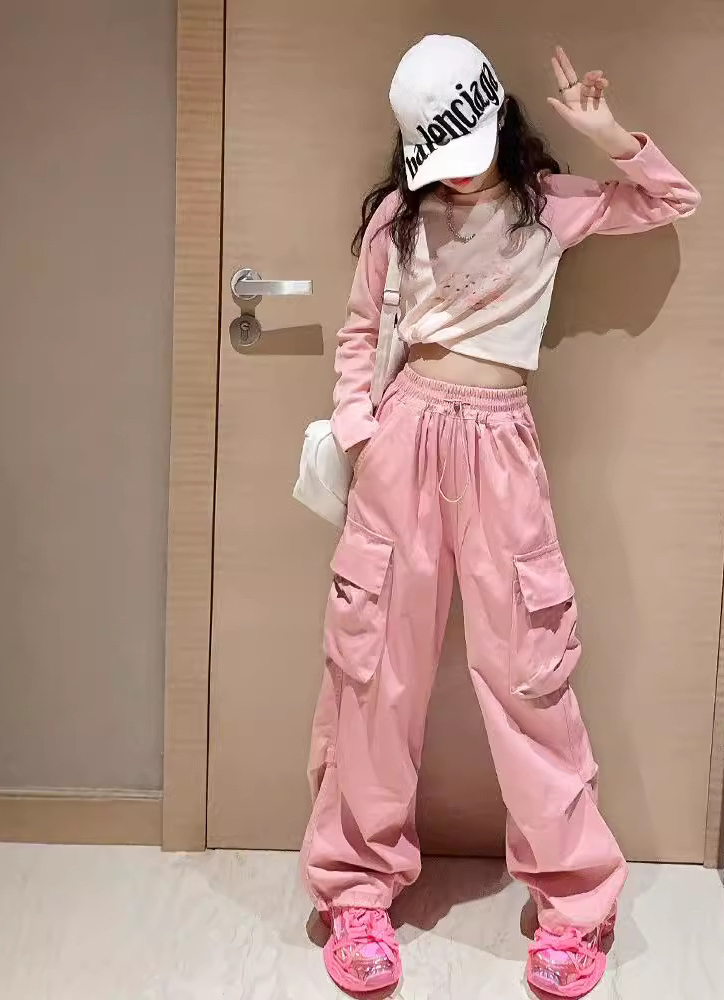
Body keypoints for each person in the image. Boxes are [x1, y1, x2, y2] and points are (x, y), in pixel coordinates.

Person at [299, 34, 700, 998]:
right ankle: (356, 891)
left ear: (496, 119)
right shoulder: (398, 219)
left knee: (530, 674)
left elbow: (670, 200)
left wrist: (609, 132)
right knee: (374, 673)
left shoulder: (545, 205)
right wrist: (362, 436)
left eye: (466, 149)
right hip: (402, 444)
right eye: (438, 157)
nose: (456, 172)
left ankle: (574, 900)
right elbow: (359, 334)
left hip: (502, 450)